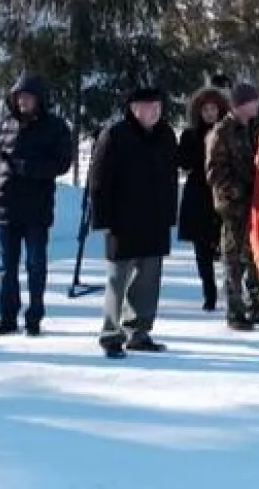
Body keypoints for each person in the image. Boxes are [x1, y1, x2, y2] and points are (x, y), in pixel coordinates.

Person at [88, 86, 179, 358]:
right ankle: (111, 333)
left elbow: (171, 179)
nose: (155, 112)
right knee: (118, 280)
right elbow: (99, 180)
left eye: (158, 107)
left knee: (148, 281)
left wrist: (169, 214)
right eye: (149, 107)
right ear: (133, 108)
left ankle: (139, 331)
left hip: (155, 219)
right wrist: (102, 217)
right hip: (123, 220)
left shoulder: (166, 135)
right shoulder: (115, 135)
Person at [0, 74, 75, 337]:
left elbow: (62, 163)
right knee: (6, 267)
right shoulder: (5, 124)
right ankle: (7, 317)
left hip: (36, 206)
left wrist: (28, 168)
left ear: (39, 99)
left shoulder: (55, 127)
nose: (23, 102)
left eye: (28, 97)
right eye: (19, 97)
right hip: (6, 205)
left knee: (36, 264)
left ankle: (34, 317)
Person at [207, 83, 259, 330]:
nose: (258, 105)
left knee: (254, 258)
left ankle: (257, 307)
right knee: (233, 261)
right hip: (233, 207)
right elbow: (215, 174)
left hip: (253, 206)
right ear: (241, 104)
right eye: (254, 101)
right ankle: (235, 312)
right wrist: (241, 192)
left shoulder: (252, 129)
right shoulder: (222, 131)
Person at [177, 86, 228, 312]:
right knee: (201, 249)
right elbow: (184, 162)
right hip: (198, 194)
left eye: (213, 109)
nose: (209, 113)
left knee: (228, 246)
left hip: (223, 192)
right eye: (205, 109)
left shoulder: (228, 131)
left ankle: (232, 289)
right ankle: (209, 291)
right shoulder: (190, 134)